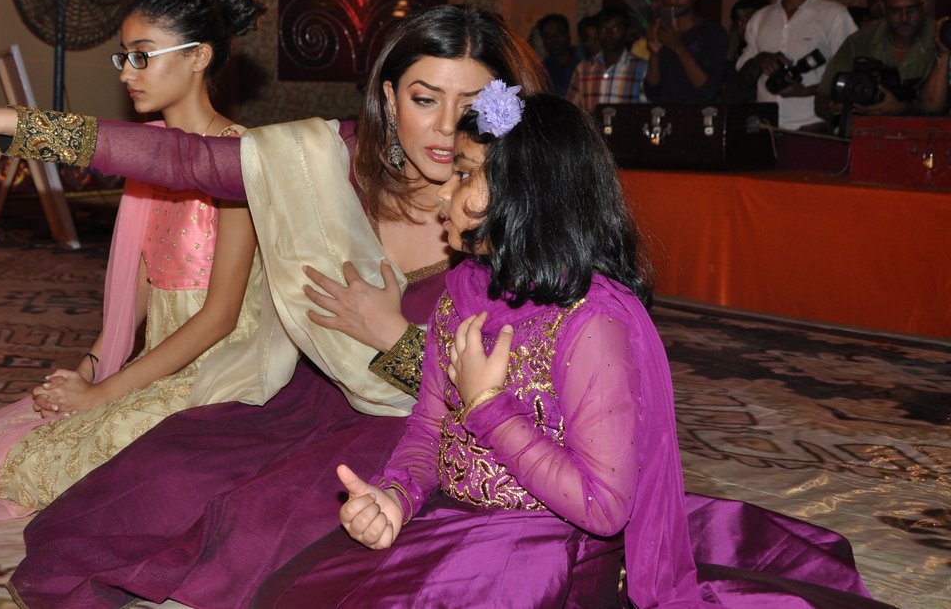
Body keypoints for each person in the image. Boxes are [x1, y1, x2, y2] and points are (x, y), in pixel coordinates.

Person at [0, 4, 551, 606]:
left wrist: (388, 331)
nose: (443, 127)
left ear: (501, 107)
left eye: (468, 103)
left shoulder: (519, 209)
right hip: (306, 397)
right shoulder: (331, 158)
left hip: (413, 432)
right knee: (152, 480)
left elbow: (520, 393)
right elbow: (185, 159)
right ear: (387, 94)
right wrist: (6, 124)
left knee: (268, 529)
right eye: (424, 97)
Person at [254, 91, 890, 609]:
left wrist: (488, 408)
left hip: (547, 550)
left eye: (466, 177)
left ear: (528, 198)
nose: (444, 199)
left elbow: (604, 508)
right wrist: (395, 497)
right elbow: (426, 431)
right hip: (462, 520)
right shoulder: (466, 293)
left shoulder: (590, 327)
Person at [0, 0, 267, 520]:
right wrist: (89, 368)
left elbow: (221, 316)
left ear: (198, 56)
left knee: (84, 469)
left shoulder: (240, 157)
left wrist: (106, 395)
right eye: (123, 56)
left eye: (142, 55)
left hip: (223, 369)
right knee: (14, 453)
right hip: (160, 359)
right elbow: (145, 283)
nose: (128, 73)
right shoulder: (150, 150)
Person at [736, 0, 856, 132]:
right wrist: (761, 60)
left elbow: (851, 76)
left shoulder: (833, 15)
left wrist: (806, 91)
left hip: (812, 128)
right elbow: (742, 79)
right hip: (765, 128)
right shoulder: (761, 17)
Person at [816, 0, 942, 122]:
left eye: (912, 9)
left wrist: (903, 110)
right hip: (864, 137)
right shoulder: (860, 42)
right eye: (895, 10)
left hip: (924, 140)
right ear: (883, 7)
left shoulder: (942, 40)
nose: (904, 18)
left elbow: (938, 109)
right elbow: (821, 101)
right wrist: (839, 106)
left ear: (926, 2)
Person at [644, 0, 729, 103]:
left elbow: (709, 89)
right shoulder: (662, 32)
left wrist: (678, 47)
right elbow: (652, 92)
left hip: (701, 117)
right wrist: (654, 53)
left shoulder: (712, 32)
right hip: (666, 116)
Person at [565, 6, 648, 112]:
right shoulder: (583, 69)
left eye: (616, 29)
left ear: (627, 32)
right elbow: (571, 109)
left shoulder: (641, 68)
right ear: (598, 32)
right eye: (604, 29)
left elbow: (647, 111)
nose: (609, 34)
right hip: (593, 128)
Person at [535, 12, 579, 96]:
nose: (554, 38)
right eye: (548, 35)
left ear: (568, 35)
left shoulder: (584, 63)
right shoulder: (541, 71)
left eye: (558, 32)